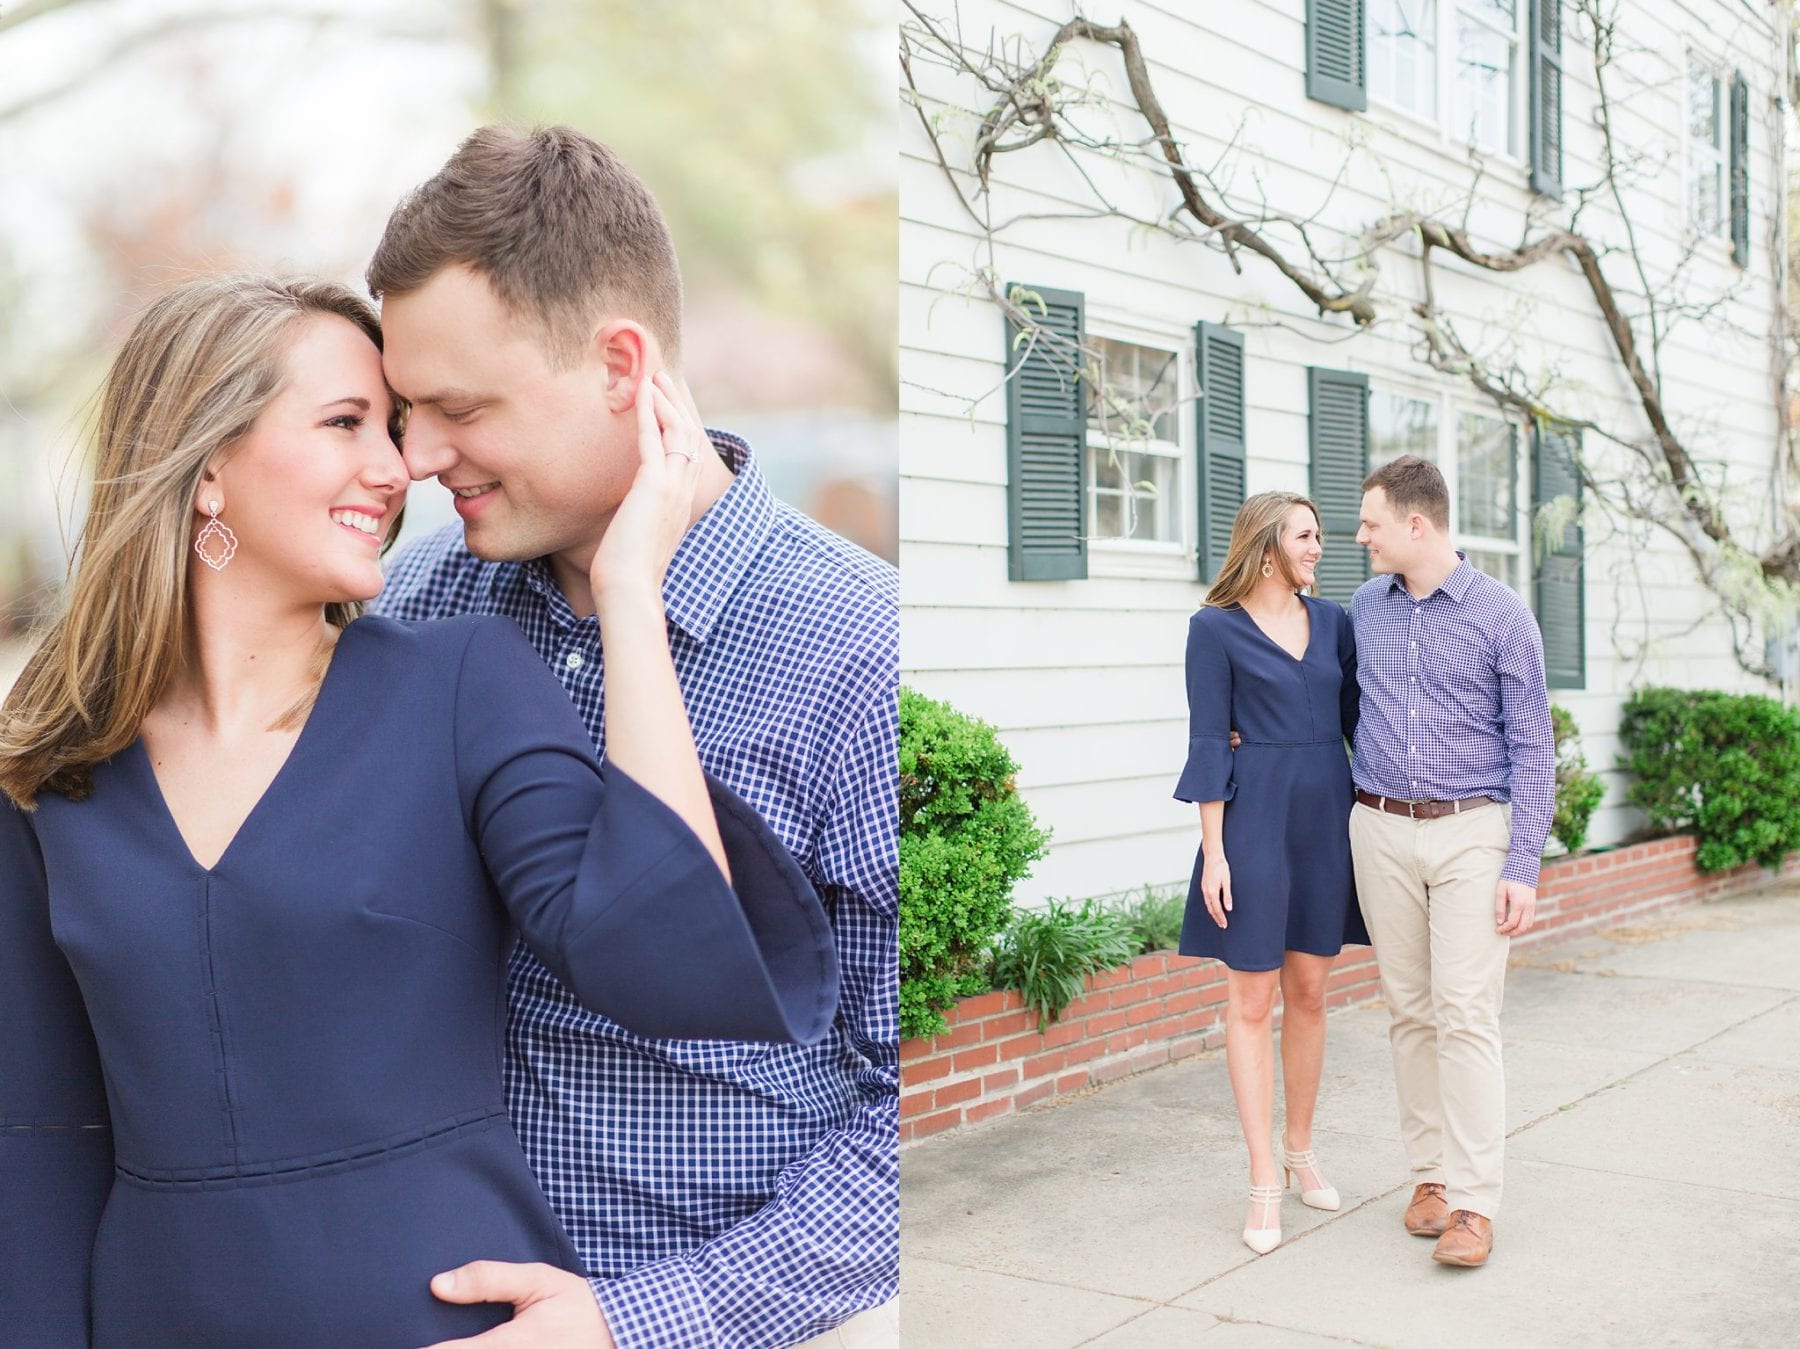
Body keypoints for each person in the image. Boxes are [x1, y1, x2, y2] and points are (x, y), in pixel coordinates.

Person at [0, 274, 838, 1348]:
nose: (399, 469)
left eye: (392, 429)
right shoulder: (56, 763)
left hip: (441, 1318)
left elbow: (665, 951)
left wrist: (633, 589)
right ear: (208, 465)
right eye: (347, 423)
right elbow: (36, 1134)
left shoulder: (461, 684)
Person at [365, 125, 899, 1348]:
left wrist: (636, 1320)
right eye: (406, 410)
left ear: (620, 365)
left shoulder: (863, 658)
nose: (418, 456)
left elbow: (903, 1106)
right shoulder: (420, 596)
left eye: (458, 407)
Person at [1349, 454, 1554, 1269]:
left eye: (1370, 522)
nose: (1359, 536)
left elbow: (1533, 745)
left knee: (1466, 1011)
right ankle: (1428, 1179)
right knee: (1409, 1010)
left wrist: (1524, 864)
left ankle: (1475, 1201)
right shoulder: (1365, 608)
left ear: (1415, 524)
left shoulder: (1505, 616)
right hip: (1381, 828)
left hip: (1475, 830)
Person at [1173, 491, 1368, 1256]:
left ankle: (1301, 1147)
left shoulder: (1336, 624)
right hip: (1252, 821)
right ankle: (1262, 1177)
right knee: (1251, 995)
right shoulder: (1212, 630)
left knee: (1312, 990)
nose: (1320, 547)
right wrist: (1215, 852)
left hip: (1326, 818)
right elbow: (1206, 743)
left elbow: (1362, 721)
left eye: (1319, 535)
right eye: (1306, 536)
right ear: (1264, 545)